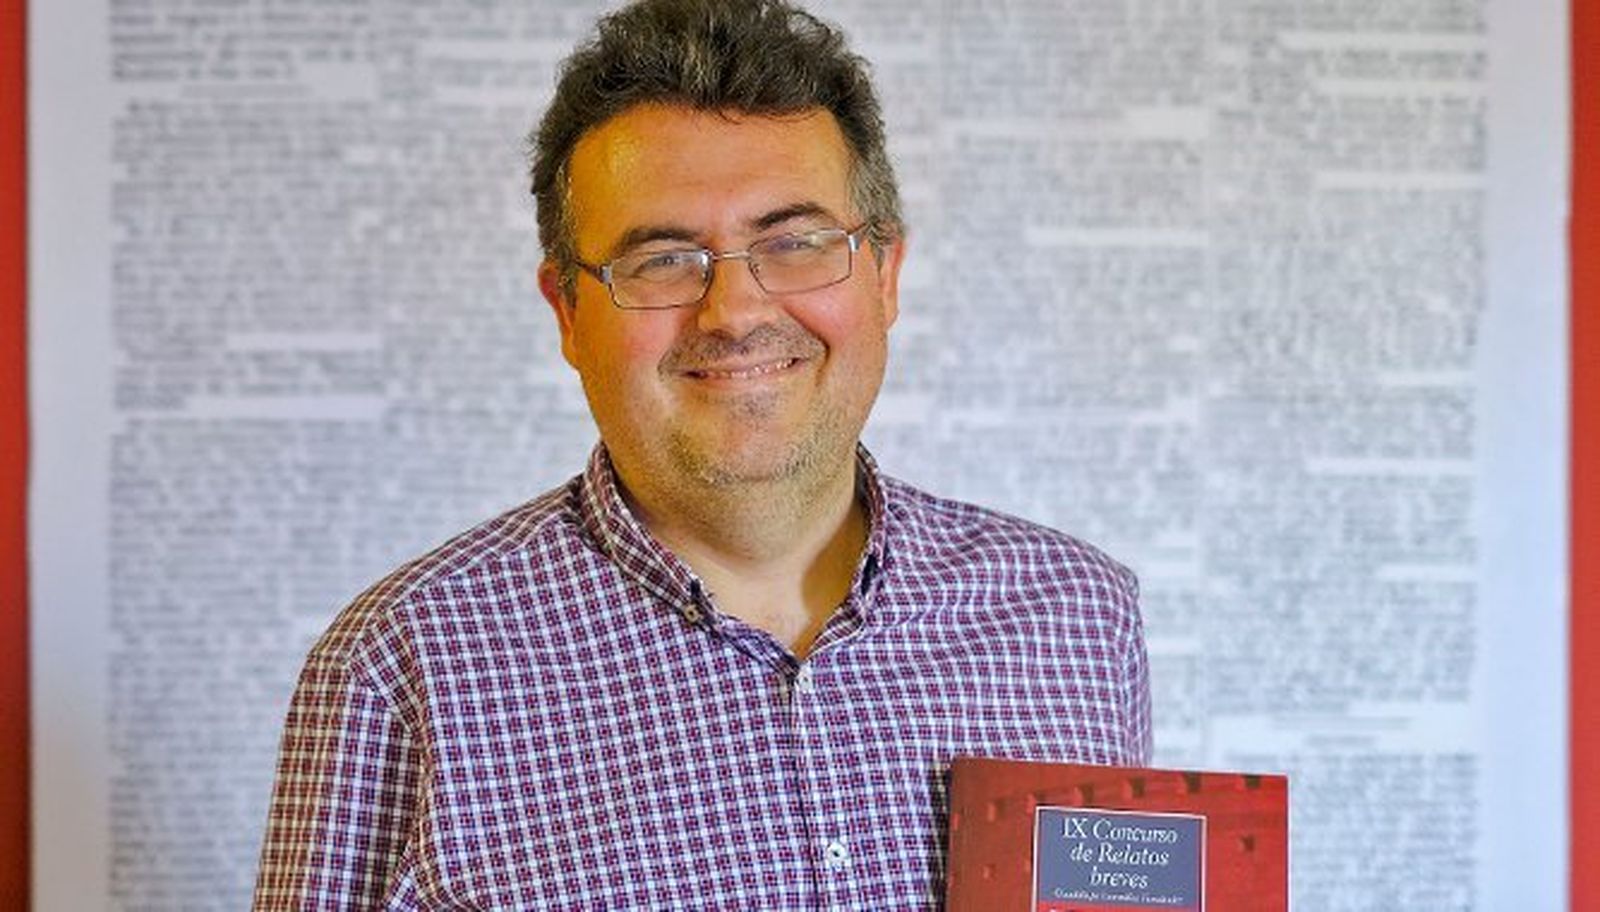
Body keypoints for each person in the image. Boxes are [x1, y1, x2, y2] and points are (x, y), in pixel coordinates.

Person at [252, 0, 1151, 908]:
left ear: (885, 277)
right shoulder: (399, 666)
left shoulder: (1076, 615)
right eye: (662, 260)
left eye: (794, 243)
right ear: (568, 313)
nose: (735, 312)